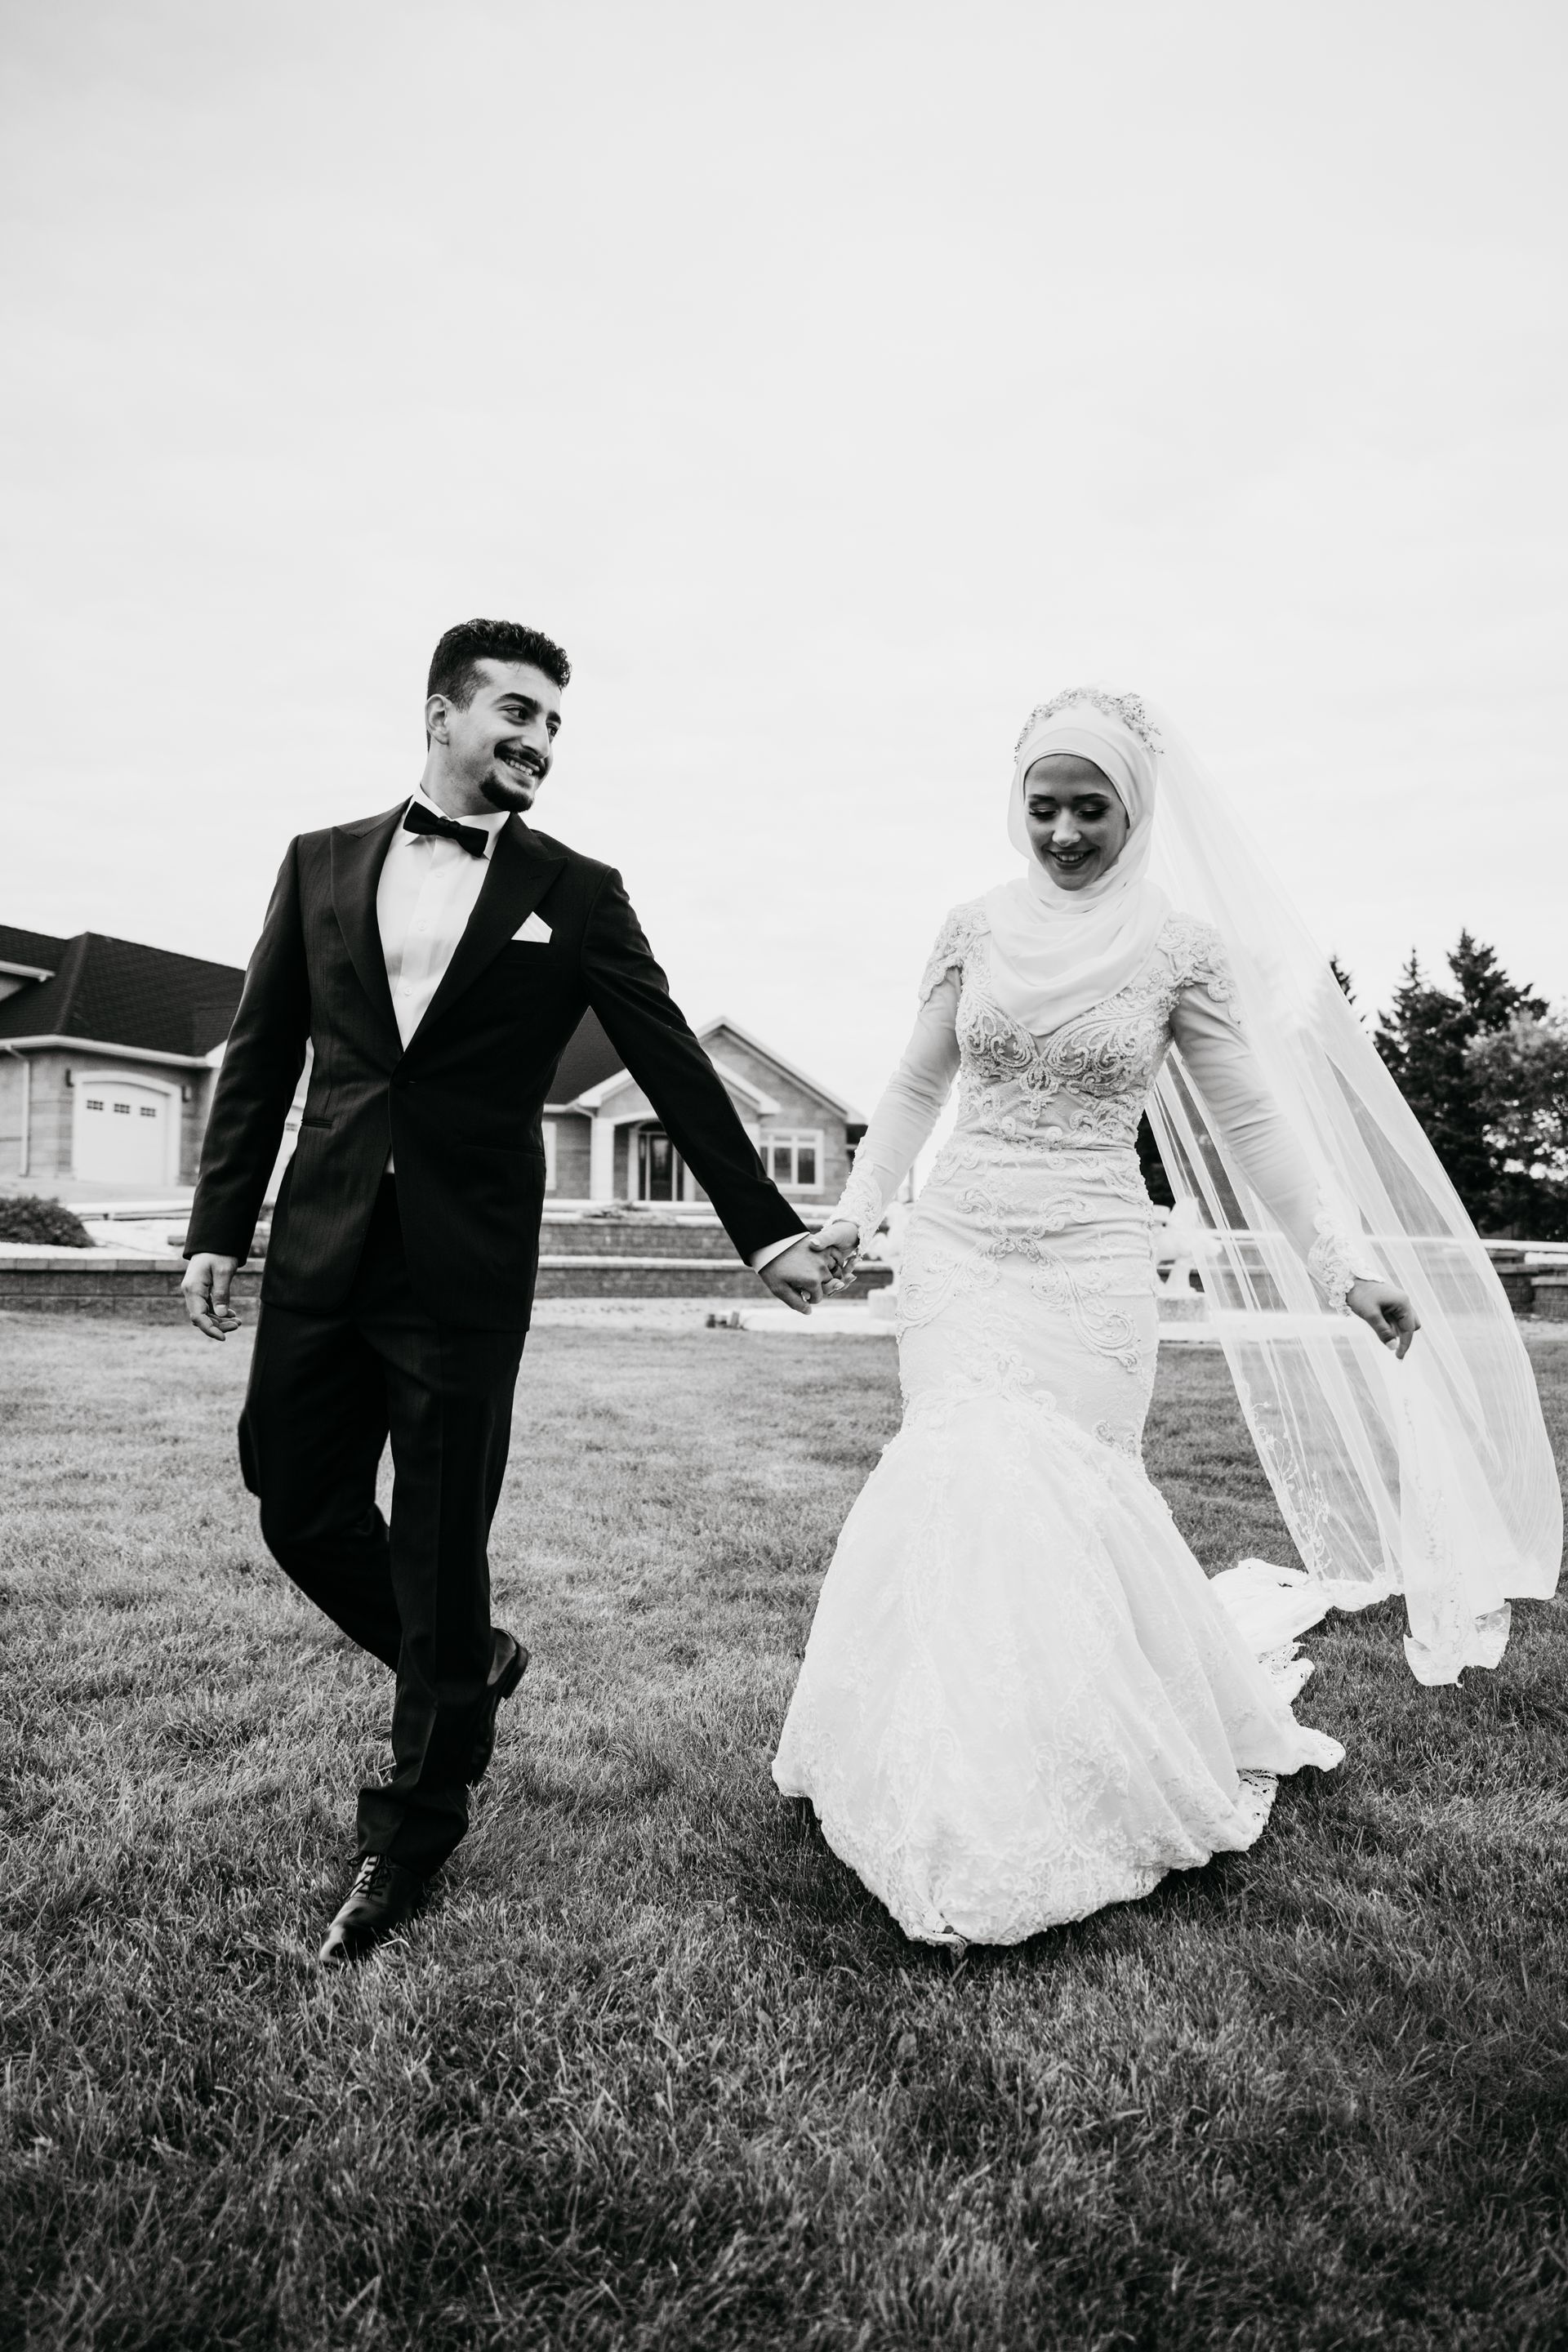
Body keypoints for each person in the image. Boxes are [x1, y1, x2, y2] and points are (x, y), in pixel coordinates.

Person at [182, 618, 829, 1964]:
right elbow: (260, 1056)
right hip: (322, 1241)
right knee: (294, 1501)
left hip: (465, 1265)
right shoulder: (317, 864)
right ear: (442, 714)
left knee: (435, 1536)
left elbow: (671, 1066)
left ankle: (411, 1831)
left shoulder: (577, 892)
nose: (538, 741)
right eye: (518, 712)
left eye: (554, 725)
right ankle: (470, 1664)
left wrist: (761, 1230)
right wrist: (216, 1228)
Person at [773, 688, 1431, 1946]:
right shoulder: (971, 927)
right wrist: (855, 1219)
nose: (1065, 832)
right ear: (1013, 804)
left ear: (1137, 812)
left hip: (1092, 1255)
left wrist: (1344, 1268)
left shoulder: (1180, 950)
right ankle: (956, 1786)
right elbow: (915, 1083)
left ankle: (1085, 1755)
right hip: (961, 1247)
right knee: (963, 1477)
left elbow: (1253, 1124)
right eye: (1045, 807)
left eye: (1093, 809)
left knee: (1069, 1499)